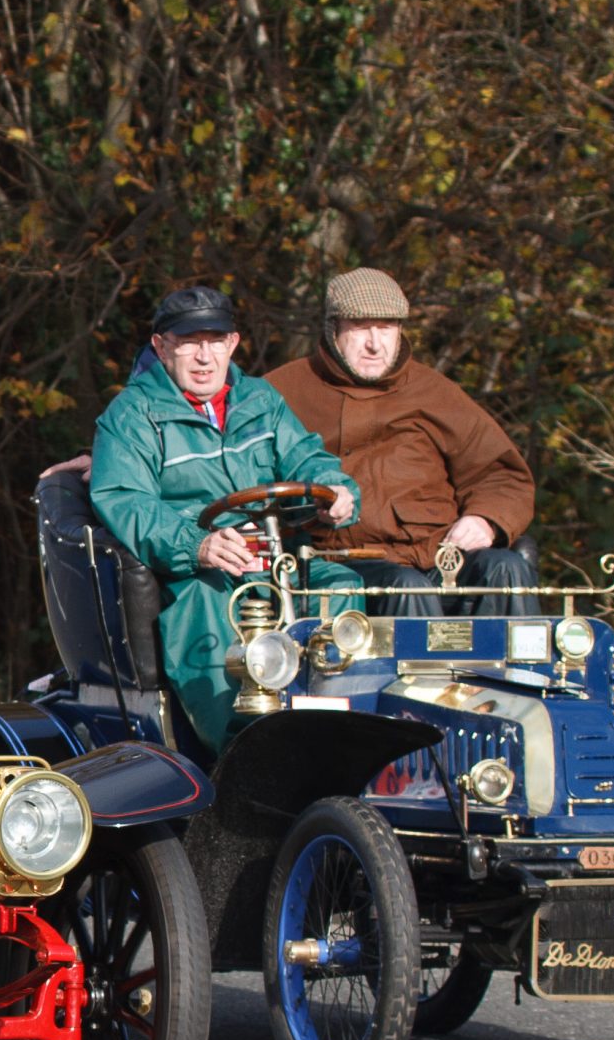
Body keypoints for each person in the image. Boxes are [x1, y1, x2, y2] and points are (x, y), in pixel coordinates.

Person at [87, 285, 363, 753]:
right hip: (195, 567)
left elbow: (306, 457)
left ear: (233, 344)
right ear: (161, 347)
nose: (203, 356)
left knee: (341, 585)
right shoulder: (132, 415)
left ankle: (331, 731)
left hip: (272, 557)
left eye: (215, 340)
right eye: (189, 341)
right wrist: (197, 544)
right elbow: (125, 498)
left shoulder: (261, 400)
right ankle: (240, 753)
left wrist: (334, 490)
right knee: (206, 606)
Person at [265, 268, 539, 618]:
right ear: (333, 329)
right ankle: (424, 676)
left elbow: (501, 474)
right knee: (406, 588)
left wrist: (486, 519)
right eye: (361, 327)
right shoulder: (281, 391)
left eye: (386, 328)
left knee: (507, 568)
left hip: (441, 556)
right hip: (351, 563)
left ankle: (524, 673)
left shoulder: (435, 391)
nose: (375, 343)